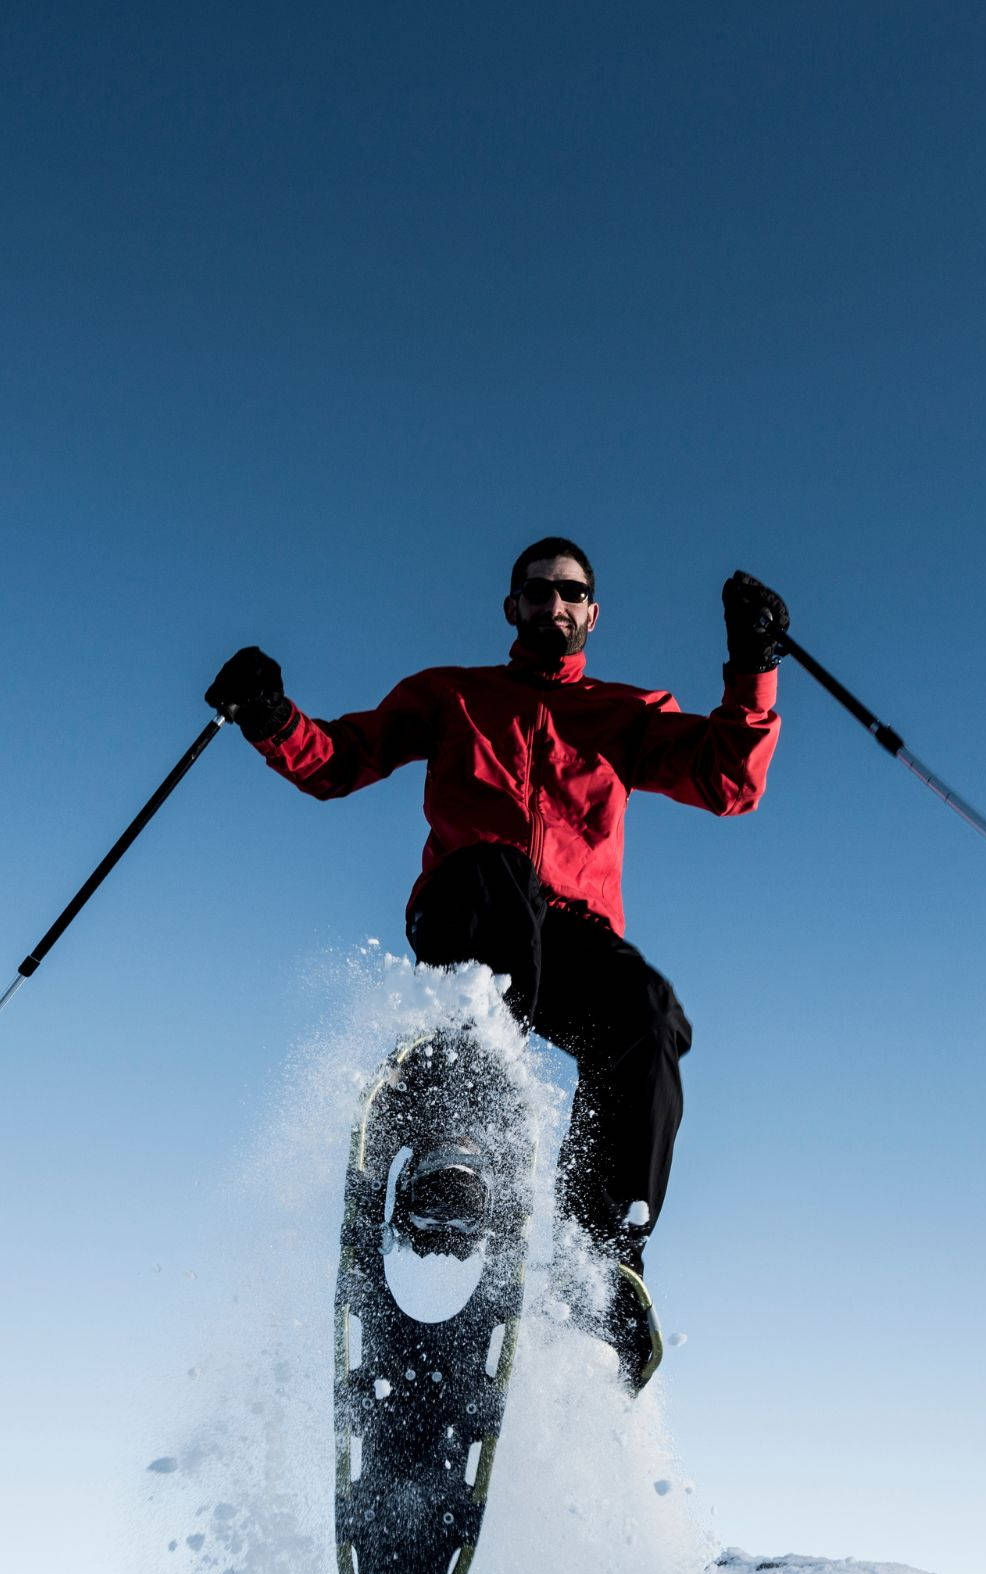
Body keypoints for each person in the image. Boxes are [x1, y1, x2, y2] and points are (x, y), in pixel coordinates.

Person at [205, 538, 786, 1391]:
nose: (556, 605)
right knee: (497, 870)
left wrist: (753, 665)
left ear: (592, 613)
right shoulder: (453, 695)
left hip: (570, 938)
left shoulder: (626, 712)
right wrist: (269, 716)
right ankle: (454, 1136)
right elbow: (339, 761)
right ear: (511, 607)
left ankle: (602, 1256)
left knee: (646, 1014)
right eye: (539, 591)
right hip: (467, 910)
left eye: (573, 593)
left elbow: (728, 781)